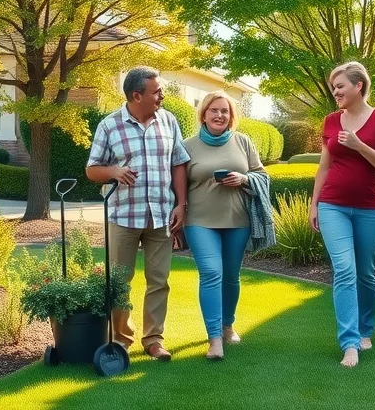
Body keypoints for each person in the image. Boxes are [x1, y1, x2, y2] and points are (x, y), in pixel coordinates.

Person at [85, 66, 190, 361]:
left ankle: (154, 339)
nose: (162, 95)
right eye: (156, 91)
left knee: (160, 279)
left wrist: (181, 204)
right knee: (120, 280)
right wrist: (114, 171)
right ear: (136, 95)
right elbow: (92, 170)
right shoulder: (109, 125)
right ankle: (121, 339)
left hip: (161, 215)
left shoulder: (168, 121)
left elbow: (178, 164)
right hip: (123, 216)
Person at [309, 61, 375, 368]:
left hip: (372, 209)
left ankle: (365, 330)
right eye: (333, 87)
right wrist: (314, 204)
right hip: (333, 205)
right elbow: (324, 166)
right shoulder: (331, 121)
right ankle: (349, 343)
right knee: (345, 270)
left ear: (358, 85)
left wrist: (360, 145)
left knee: (365, 272)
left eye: (340, 86)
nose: (335, 91)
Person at [180, 90, 274, 360]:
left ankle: (228, 325)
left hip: (238, 220)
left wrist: (244, 180)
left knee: (231, 276)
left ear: (231, 116)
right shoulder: (187, 146)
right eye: (214, 110)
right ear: (204, 114)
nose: (220, 115)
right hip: (199, 220)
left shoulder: (243, 142)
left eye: (225, 111)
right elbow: (178, 186)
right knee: (211, 273)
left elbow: (262, 177)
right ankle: (214, 339)